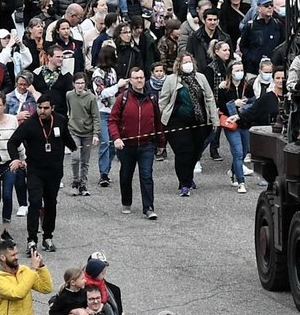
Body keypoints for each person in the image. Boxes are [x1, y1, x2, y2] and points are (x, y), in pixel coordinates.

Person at [8, 95, 76, 252]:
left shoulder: (60, 120)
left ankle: (48, 237)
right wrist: (16, 159)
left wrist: (75, 147)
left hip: (54, 171)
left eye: (46, 108)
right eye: (39, 108)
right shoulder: (30, 124)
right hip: (35, 171)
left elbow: (66, 138)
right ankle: (32, 240)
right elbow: (13, 142)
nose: (42, 111)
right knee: (35, 202)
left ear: (52, 108)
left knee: (51, 203)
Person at [158, 55, 218, 198]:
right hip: (177, 122)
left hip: (199, 121)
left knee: (195, 152)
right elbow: (163, 101)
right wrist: (158, 121)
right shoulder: (171, 80)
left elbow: (209, 98)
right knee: (183, 151)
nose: (187, 64)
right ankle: (184, 183)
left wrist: (215, 120)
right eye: (184, 62)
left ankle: (189, 177)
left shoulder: (201, 78)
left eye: (189, 61)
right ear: (178, 64)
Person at [108, 68, 164, 218]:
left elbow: (157, 121)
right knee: (126, 175)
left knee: (146, 176)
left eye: (141, 77)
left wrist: (161, 143)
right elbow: (112, 120)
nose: (139, 80)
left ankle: (149, 207)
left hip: (146, 145)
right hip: (127, 145)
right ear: (130, 80)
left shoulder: (152, 98)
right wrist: (116, 138)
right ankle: (126, 202)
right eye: (136, 78)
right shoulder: (123, 98)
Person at [0, 240, 53, 315]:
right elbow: (17, 294)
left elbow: (46, 288)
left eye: (17, 254)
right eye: (13, 255)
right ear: (2, 257)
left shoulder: (24, 271)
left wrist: (41, 266)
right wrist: (33, 269)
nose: (17, 257)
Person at [66, 74, 99, 196]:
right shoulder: (69, 95)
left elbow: (96, 117)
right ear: (73, 84)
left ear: (85, 84)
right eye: (77, 83)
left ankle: (83, 184)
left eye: (82, 83)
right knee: (75, 158)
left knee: (85, 160)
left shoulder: (91, 98)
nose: (80, 86)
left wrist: (96, 134)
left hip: (87, 133)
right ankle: (75, 182)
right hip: (74, 130)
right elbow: (69, 109)